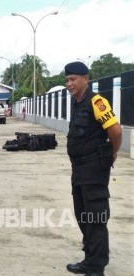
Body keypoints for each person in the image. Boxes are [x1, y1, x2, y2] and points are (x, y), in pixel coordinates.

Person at [64, 61, 122, 276]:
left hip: (94, 170)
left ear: (86, 79)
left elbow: (115, 132)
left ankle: (96, 267)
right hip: (79, 170)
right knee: (83, 216)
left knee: (96, 218)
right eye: (67, 80)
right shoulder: (76, 102)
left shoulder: (97, 102)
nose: (69, 84)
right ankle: (90, 259)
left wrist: (112, 153)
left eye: (73, 79)